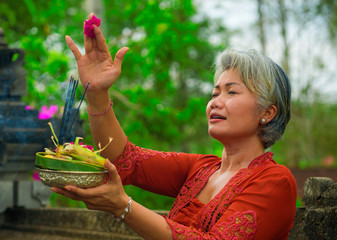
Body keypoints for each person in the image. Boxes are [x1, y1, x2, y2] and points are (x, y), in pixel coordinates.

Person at [52, 13, 297, 240]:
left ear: (267, 112)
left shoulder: (276, 181)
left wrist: (123, 206)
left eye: (231, 92)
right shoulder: (201, 169)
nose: (215, 103)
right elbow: (124, 159)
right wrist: (97, 92)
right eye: (214, 94)